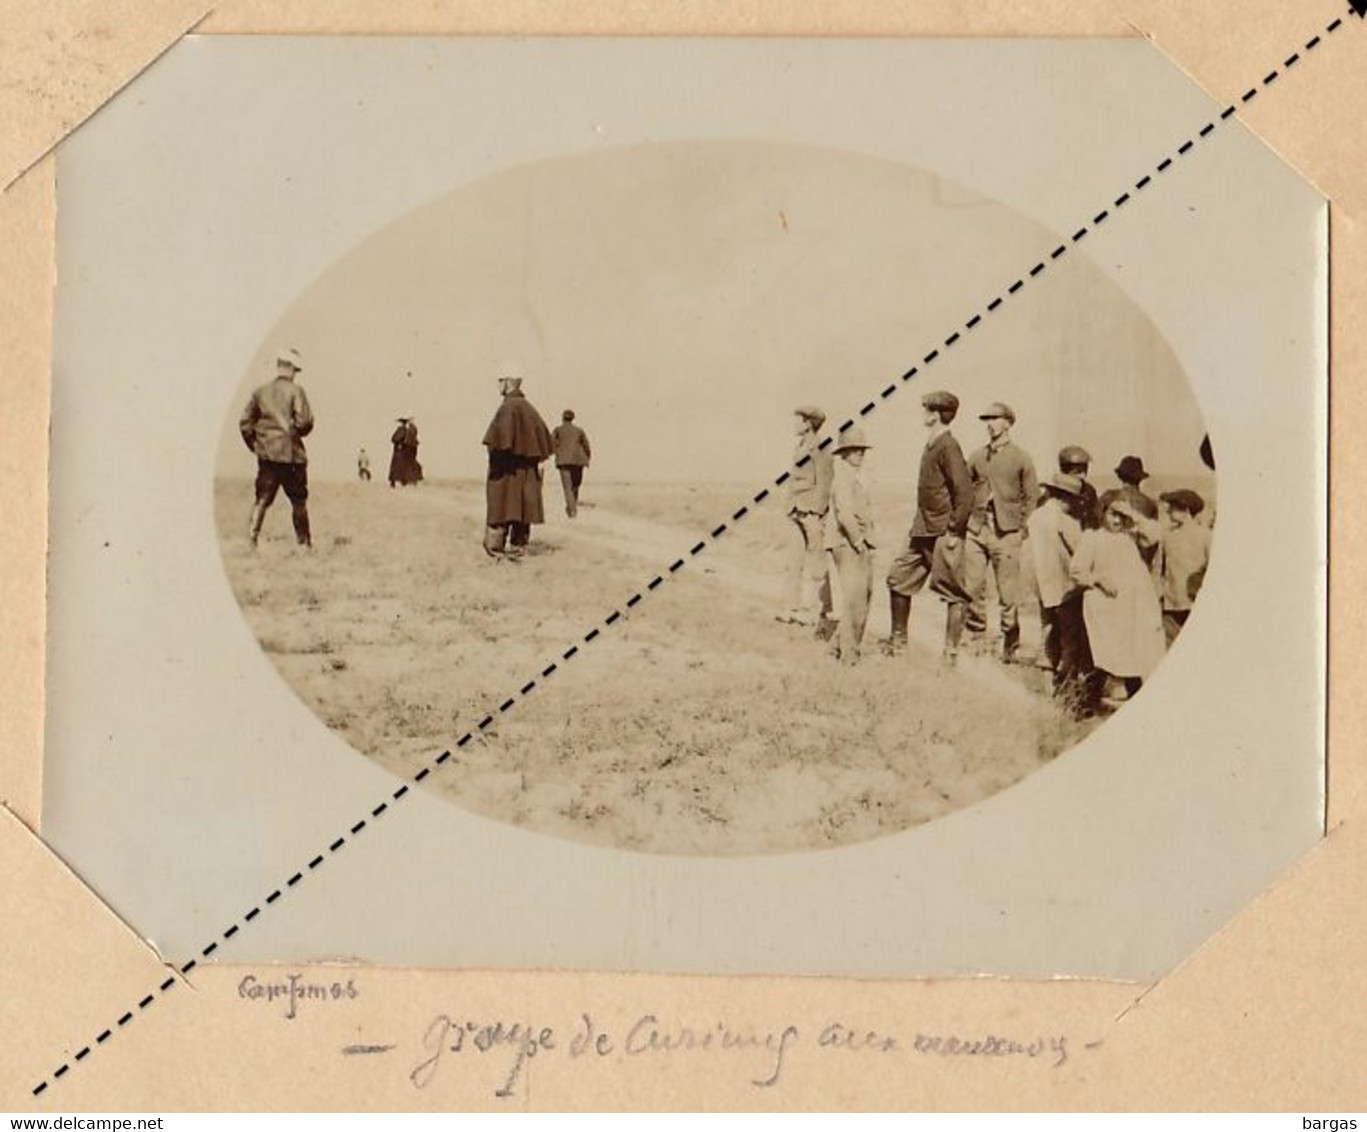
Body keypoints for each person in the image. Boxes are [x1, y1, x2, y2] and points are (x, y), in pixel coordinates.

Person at [884, 390, 974, 665]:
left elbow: (965, 494)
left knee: (953, 592)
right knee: (898, 579)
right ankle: (898, 643)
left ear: (935, 414)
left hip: (942, 533)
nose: (922, 413)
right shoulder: (933, 443)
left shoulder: (948, 445)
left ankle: (950, 654)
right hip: (921, 529)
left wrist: (953, 531)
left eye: (926, 409)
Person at [1069, 491, 1166, 703]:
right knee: (1107, 654)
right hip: (1108, 605)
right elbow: (1077, 571)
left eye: (1121, 516)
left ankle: (1134, 698)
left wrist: (1133, 515)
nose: (1116, 520)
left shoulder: (1130, 536)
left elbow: (1156, 535)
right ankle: (1090, 702)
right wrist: (1098, 579)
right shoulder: (1093, 538)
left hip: (1133, 605)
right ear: (1102, 513)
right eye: (1112, 514)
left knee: (1137, 651)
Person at [963, 401, 1038, 662]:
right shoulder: (977, 456)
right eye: (987, 419)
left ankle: (1010, 643)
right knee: (972, 586)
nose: (989, 424)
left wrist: (1021, 529)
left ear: (1008, 422)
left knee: (1008, 593)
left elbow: (1032, 497)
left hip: (1007, 533)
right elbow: (964, 488)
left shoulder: (1021, 457)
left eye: (995, 419)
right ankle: (976, 637)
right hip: (976, 529)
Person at [1026, 473, 1096, 716]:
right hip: (1066, 588)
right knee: (1071, 641)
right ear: (1067, 497)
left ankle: (1047, 684)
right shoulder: (1065, 521)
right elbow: (1081, 552)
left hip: (1042, 585)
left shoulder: (1035, 517)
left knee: (1048, 633)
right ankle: (1067, 691)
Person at [239, 346, 314, 549]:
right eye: (295, 371)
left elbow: (245, 423)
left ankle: (251, 540)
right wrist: (293, 432)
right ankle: (303, 545)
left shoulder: (260, 392)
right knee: (298, 501)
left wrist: (256, 445)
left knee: (262, 499)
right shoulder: (297, 391)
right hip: (292, 456)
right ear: (290, 368)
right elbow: (305, 422)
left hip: (267, 456)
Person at [482, 374, 553, 559]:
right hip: (526, 472)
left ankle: (496, 549)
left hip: (506, 472)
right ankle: (518, 548)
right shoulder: (529, 408)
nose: (498, 385)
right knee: (522, 507)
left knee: (501, 505)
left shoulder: (508, 407)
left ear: (507, 382)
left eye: (499, 380)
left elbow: (497, 444)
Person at [778, 405, 835, 628]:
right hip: (795, 510)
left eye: (798, 420)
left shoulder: (821, 447)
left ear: (809, 423)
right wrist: (789, 507)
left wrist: (816, 513)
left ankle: (820, 611)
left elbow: (825, 482)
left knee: (817, 564)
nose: (794, 424)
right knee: (793, 562)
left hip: (811, 513)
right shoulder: (800, 446)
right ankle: (790, 608)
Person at [824, 427, 876, 666]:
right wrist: (859, 541)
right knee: (856, 599)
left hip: (849, 543)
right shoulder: (843, 478)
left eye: (861, 451)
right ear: (843, 453)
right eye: (854, 451)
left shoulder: (850, 476)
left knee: (860, 597)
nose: (859, 455)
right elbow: (844, 514)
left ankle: (835, 649)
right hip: (847, 544)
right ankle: (849, 657)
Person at [1149, 489, 1212, 644]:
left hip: (1194, 603)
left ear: (1186, 510)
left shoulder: (1205, 535)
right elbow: (1157, 568)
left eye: (1174, 507)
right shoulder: (1167, 535)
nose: (1169, 510)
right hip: (1171, 603)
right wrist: (1155, 594)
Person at [551, 410, 592, 518]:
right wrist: (587, 457)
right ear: (573, 418)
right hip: (579, 461)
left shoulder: (558, 430)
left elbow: (551, 444)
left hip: (564, 461)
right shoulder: (579, 431)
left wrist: (557, 453)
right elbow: (586, 445)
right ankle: (572, 506)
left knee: (567, 487)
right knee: (576, 485)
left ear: (563, 418)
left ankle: (572, 509)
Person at [1058, 445, 1102, 530]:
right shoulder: (1057, 490)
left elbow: (1095, 516)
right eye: (1076, 472)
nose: (1082, 476)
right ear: (1064, 472)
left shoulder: (1089, 490)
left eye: (1084, 471)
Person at [388, 416, 423, 487]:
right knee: (405, 465)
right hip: (405, 451)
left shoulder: (402, 430)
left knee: (397, 466)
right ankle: (403, 480)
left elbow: (394, 439)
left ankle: (396, 481)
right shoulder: (409, 431)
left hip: (400, 451)